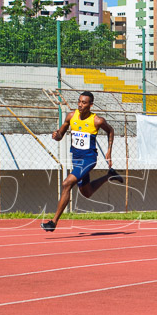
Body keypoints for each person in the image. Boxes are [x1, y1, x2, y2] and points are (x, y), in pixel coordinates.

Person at [41, 91, 120, 232]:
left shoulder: (97, 120)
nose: (80, 105)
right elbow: (60, 135)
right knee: (87, 192)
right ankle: (110, 176)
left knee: (67, 183)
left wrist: (109, 151)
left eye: (84, 102)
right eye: (79, 101)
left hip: (89, 159)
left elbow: (111, 130)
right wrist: (56, 135)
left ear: (90, 105)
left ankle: (53, 222)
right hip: (76, 159)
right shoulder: (71, 116)